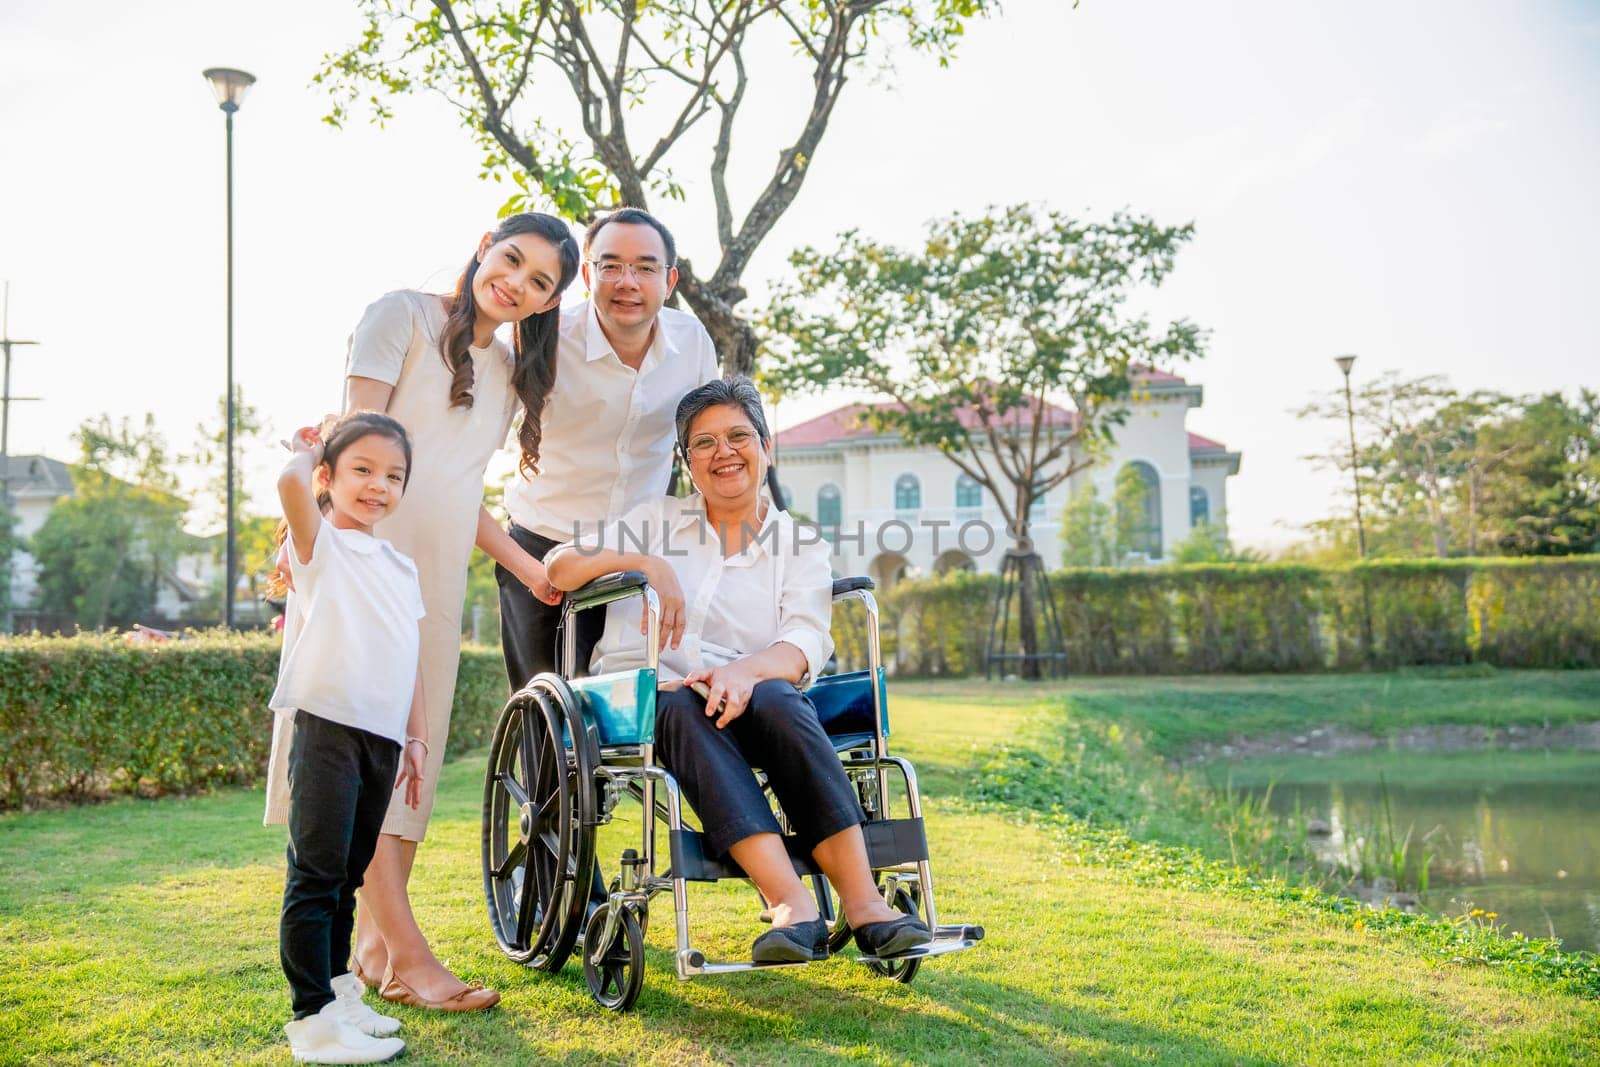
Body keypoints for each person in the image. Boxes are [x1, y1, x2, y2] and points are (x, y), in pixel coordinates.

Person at [265, 212, 580, 1011]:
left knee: (410, 766)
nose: (517, 282)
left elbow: (461, 494)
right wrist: (305, 541)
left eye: (540, 281)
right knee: (358, 749)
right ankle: (410, 955)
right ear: (484, 247)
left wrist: (527, 567)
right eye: (511, 260)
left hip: (431, 586)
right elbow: (350, 438)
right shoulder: (399, 315)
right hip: (357, 577)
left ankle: (375, 951)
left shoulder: (508, 378)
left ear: (546, 302)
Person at [545, 377, 934, 963]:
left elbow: (804, 640)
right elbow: (558, 567)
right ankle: (790, 903)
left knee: (780, 697)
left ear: (765, 446)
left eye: (737, 436)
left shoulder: (798, 544)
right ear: (687, 463)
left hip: (746, 697)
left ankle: (863, 903)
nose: (723, 453)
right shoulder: (654, 520)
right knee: (675, 702)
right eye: (704, 443)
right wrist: (645, 563)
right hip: (646, 697)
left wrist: (745, 673)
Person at [498, 207, 719, 688]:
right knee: (548, 714)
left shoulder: (693, 343)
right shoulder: (545, 338)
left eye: (645, 267)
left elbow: (707, 446)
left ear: (670, 279)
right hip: (542, 545)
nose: (628, 282)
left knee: (628, 711)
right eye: (611, 265)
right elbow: (472, 444)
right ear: (585, 274)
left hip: (638, 552)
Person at [271, 412, 422, 1064]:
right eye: (362, 470)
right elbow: (288, 483)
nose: (378, 486)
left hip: (382, 737)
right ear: (330, 477)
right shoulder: (319, 546)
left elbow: (408, 651)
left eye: (394, 476)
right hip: (329, 726)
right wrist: (307, 451)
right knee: (316, 874)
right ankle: (311, 1022)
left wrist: (414, 738)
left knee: (349, 875)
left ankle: (339, 994)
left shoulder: (398, 562)